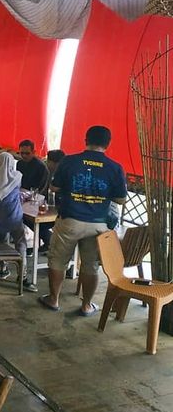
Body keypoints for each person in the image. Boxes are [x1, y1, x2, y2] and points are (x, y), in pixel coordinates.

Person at [38, 126, 126, 316]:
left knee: (58, 260)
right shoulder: (115, 167)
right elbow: (120, 199)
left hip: (70, 220)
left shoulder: (69, 161)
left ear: (86, 140)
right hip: (99, 224)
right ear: (108, 143)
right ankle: (86, 305)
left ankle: (53, 300)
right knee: (90, 265)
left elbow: (53, 187)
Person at [0, 152, 38, 292]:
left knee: (3, 242)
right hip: (14, 215)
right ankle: (22, 276)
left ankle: (3, 268)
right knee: (20, 243)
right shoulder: (17, 176)